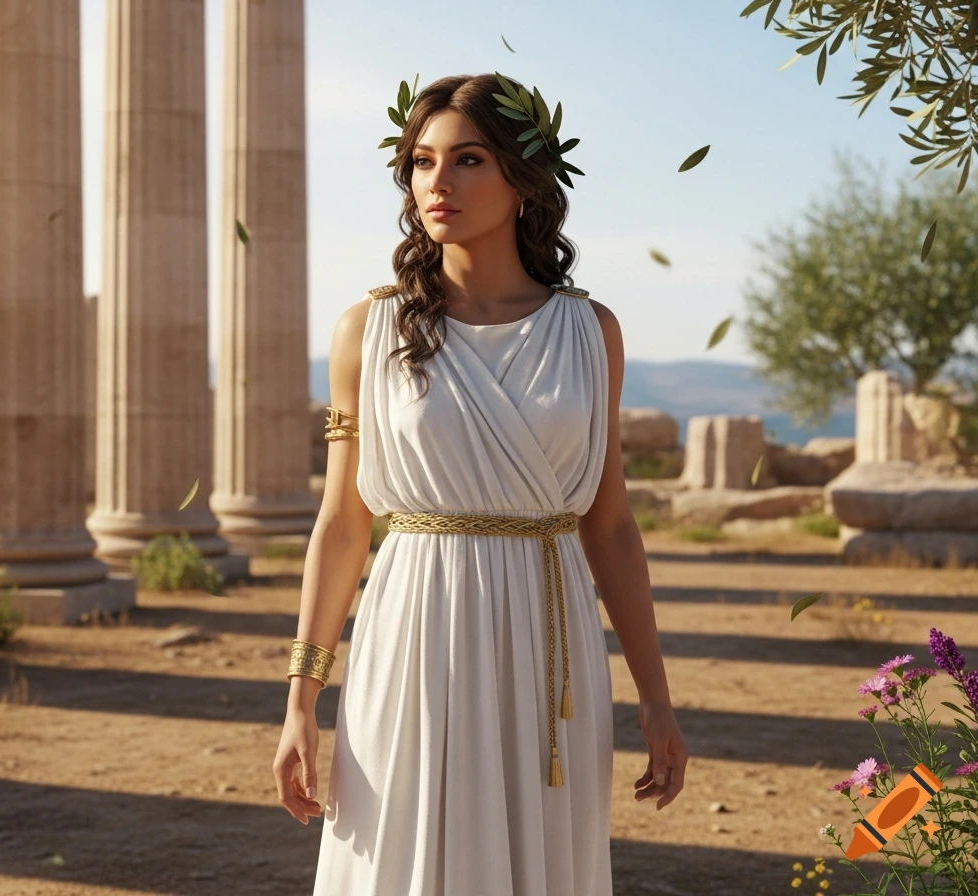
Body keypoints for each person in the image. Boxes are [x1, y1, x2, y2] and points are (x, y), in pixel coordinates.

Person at [272, 71, 687, 896]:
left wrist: (658, 701)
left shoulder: (589, 331)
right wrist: (300, 700)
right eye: (422, 162)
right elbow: (342, 528)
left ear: (524, 179)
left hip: (548, 636)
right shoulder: (368, 331)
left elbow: (610, 529)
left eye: (467, 160)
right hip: (413, 628)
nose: (439, 182)